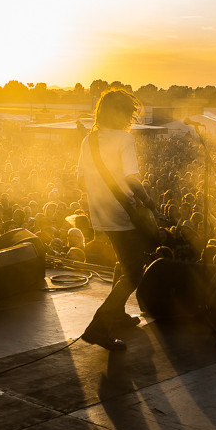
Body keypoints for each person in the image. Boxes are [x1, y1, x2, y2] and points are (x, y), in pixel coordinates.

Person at [77, 88, 158, 350]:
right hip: (123, 212)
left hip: (100, 212)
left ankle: (118, 313)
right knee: (135, 273)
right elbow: (131, 179)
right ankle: (98, 327)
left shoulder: (88, 140)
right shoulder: (124, 139)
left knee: (123, 262)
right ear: (124, 113)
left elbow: (80, 180)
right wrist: (149, 203)